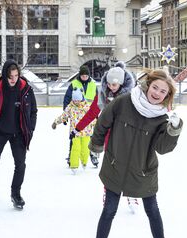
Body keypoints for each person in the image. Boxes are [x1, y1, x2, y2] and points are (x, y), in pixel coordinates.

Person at [87, 69, 183, 238]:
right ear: (148, 85)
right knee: (109, 209)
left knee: (152, 210)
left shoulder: (160, 118)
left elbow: (162, 148)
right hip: (116, 165)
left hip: (143, 170)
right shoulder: (124, 102)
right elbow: (103, 121)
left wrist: (173, 130)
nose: (157, 93)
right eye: (155, 87)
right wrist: (96, 144)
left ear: (167, 96)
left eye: (163, 91)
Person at [72, 62, 139, 214]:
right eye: (108, 83)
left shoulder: (133, 96)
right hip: (111, 135)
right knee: (111, 167)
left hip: (129, 135)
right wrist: (78, 127)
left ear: (121, 82)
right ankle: (108, 193)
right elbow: (92, 112)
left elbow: (145, 112)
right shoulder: (103, 94)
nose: (111, 87)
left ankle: (132, 194)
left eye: (114, 84)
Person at [0, 60, 37, 211]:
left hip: (19, 134)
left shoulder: (26, 90)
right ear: (5, 75)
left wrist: (30, 128)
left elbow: (34, 111)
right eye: (10, 76)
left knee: (20, 165)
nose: (13, 79)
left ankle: (16, 193)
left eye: (16, 75)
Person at [52, 88, 95, 174]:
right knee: (75, 149)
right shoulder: (70, 107)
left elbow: (92, 117)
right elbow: (63, 116)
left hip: (86, 132)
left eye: (78, 100)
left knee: (85, 149)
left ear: (81, 98)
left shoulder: (86, 106)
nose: (76, 102)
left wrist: (96, 125)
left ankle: (84, 162)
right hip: (75, 133)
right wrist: (56, 122)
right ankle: (74, 165)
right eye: (74, 100)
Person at [62, 65, 99, 167]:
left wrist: (96, 115)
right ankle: (71, 155)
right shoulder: (74, 84)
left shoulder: (93, 84)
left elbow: (97, 100)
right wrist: (65, 115)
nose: (84, 78)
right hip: (76, 115)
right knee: (74, 136)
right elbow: (67, 99)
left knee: (90, 136)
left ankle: (92, 155)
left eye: (86, 76)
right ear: (80, 75)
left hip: (90, 115)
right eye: (83, 76)